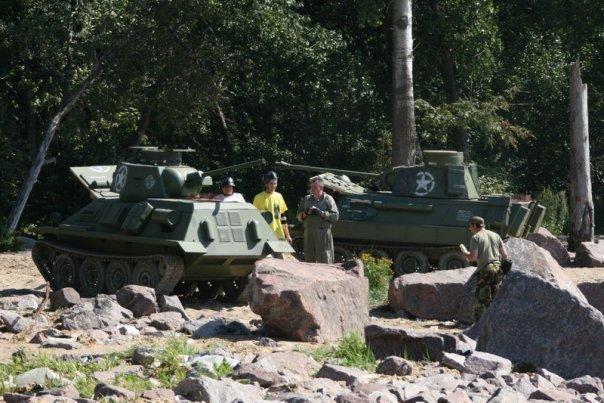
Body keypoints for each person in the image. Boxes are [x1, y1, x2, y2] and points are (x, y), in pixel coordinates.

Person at [461, 216, 508, 321]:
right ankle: (495, 322)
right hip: (498, 270)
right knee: (494, 298)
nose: (469, 229)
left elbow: (473, 257)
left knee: (482, 300)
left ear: (474, 225)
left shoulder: (476, 237)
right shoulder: (496, 235)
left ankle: (479, 326)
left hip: (486, 270)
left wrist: (465, 254)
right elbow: (505, 255)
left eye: (470, 226)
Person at [297, 176, 339, 263]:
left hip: (322, 234)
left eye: (314, 187)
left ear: (321, 188)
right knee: (309, 260)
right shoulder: (307, 199)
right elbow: (298, 216)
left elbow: (335, 216)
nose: (312, 189)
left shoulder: (328, 199)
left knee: (324, 259)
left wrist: (321, 213)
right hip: (309, 233)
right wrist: (306, 213)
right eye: (311, 186)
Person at [253, 171, 292, 242]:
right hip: (265, 235)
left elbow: (283, 217)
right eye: (271, 183)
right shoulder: (258, 197)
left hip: (279, 234)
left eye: (275, 183)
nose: (273, 186)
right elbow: (255, 218)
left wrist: (287, 235)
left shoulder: (279, 196)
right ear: (266, 184)